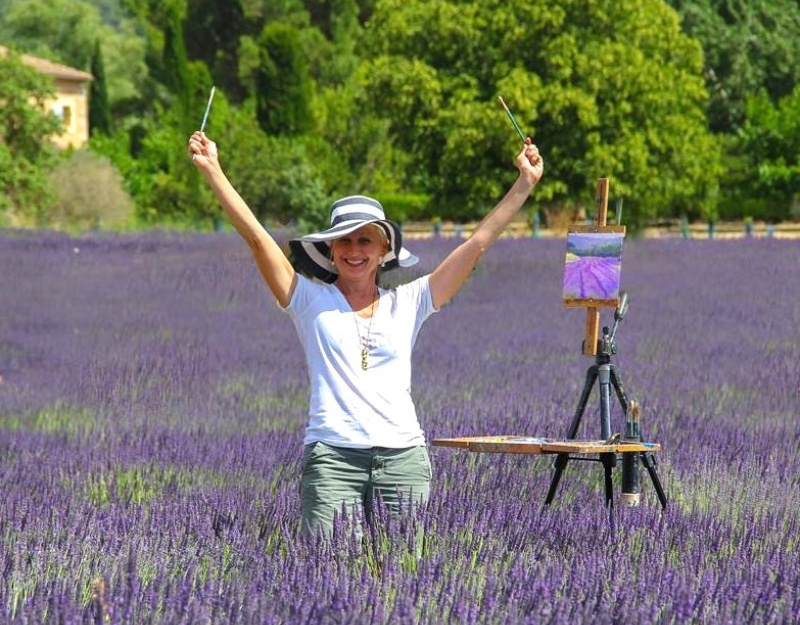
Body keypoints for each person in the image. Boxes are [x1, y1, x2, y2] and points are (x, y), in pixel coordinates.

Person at [187, 130, 544, 539]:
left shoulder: (409, 300)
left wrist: (524, 184)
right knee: (328, 568)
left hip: (403, 460)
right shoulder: (308, 299)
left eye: (365, 240)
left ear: (383, 249)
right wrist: (213, 170)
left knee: (404, 571)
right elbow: (256, 238)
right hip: (333, 460)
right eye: (344, 240)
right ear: (330, 249)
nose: (354, 250)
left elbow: (476, 245)